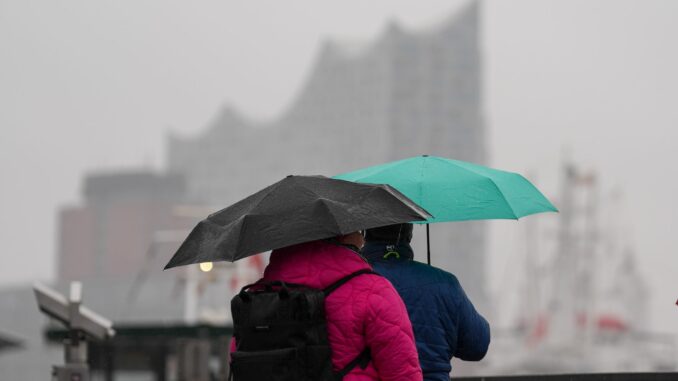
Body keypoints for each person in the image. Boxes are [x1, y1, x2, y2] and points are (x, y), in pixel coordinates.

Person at [233, 231, 423, 381]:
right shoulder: (373, 289)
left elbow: (240, 357)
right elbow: (403, 373)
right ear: (344, 236)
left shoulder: (259, 295)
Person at [362, 223, 490, 381]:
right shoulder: (444, 283)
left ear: (365, 235)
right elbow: (477, 346)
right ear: (409, 235)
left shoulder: (352, 284)